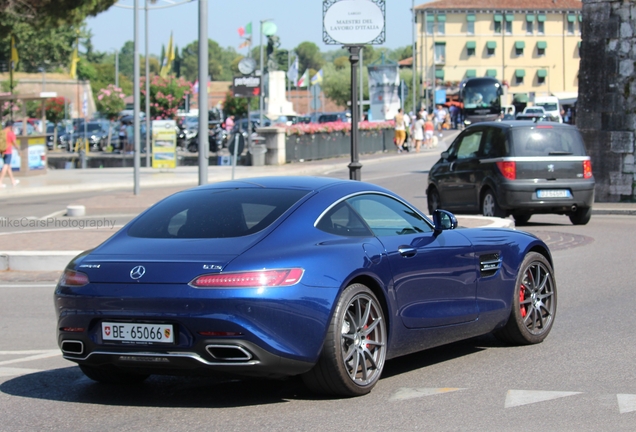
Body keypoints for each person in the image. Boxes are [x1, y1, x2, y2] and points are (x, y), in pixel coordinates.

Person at [0, 120, 20, 188]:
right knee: (6, 165)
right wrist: (18, 149)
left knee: (8, 167)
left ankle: (13, 181)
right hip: (8, 151)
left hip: (2, 151)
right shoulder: (10, 133)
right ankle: (0, 182)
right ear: (11, 126)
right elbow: (14, 143)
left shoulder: (2, 132)